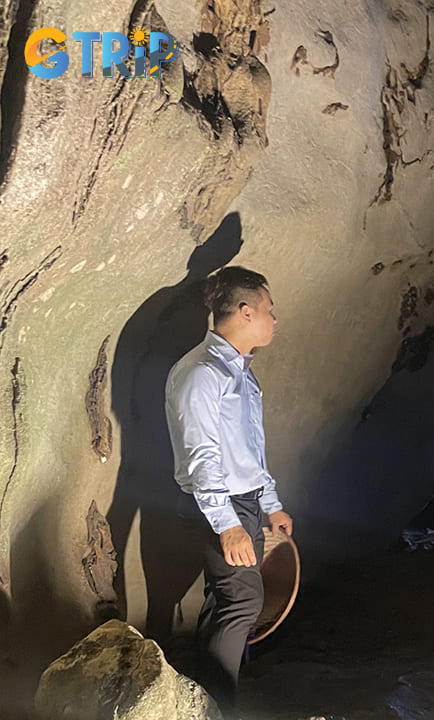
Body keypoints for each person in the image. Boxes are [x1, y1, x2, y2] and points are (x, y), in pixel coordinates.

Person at [165, 266, 293, 709]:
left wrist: (270, 504)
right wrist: (228, 525)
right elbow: (202, 458)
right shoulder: (202, 373)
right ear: (245, 312)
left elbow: (247, 450)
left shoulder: (237, 371)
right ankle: (216, 707)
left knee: (224, 600)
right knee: (242, 600)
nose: (274, 320)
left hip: (243, 501)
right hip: (217, 503)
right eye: (268, 311)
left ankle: (204, 697)